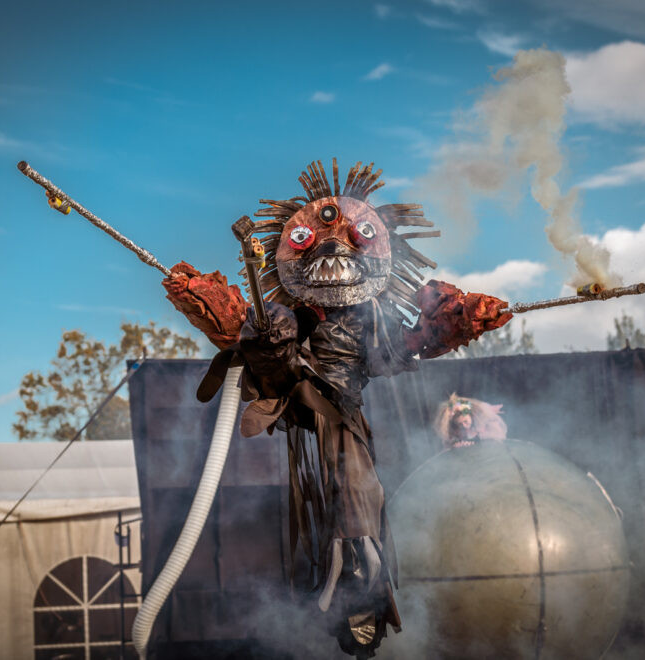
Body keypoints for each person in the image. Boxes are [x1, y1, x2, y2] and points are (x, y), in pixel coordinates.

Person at [162, 159, 511, 657]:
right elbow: (254, 336)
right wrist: (229, 314)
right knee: (277, 342)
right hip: (300, 389)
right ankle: (358, 592)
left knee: (355, 488)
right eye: (313, 238)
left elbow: (402, 345)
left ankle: (359, 596)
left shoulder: (371, 319)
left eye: (357, 236)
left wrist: (461, 317)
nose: (335, 246)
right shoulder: (287, 314)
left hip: (340, 407)